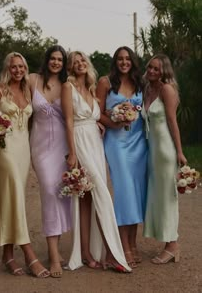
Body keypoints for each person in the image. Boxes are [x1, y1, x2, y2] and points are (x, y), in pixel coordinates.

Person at [61, 51, 131, 273]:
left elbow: (99, 117)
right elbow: (69, 122)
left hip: (95, 145)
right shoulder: (67, 88)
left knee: (87, 200)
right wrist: (72, 154)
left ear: (87, 64)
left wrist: (121, 120)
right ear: (70, 67)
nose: (80, 64)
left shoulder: (91, 90)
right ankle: (112, 254)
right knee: (102, 195)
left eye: (82, 60)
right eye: (75, 62)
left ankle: (86, 253)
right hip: (80, 143)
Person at [0, 52, 49, 278]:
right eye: (14, 66)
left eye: (22, 66)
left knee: (14, 197)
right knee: (15, 198)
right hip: (4, 148)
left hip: (23, 149)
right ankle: (29, 254)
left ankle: (7, 255)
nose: (18, 70)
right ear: (7, 68)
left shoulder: (28, 91)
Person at [96, 46, 148, 268]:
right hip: (117, 143)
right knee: (124, 191)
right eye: (120, 59)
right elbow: (97, 112)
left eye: (127, 59)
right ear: (115, 61)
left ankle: (133, 244)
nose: (124, 62)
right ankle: (123, 245)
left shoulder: (140, 83)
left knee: (136, 193)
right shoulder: (105, 82)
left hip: (138, 144)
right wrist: (115, 122)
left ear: (132, 61)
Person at [29, 45, 72, 278]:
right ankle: (54, 257)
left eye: (60, 59)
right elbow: (13, 98)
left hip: (62, 148)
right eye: (52, 58)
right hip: (40, 148)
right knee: (48, 191)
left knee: (60, 194)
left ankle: (54, 249)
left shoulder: (67, 84)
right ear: (46, 60)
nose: (56, 62)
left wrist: (97, 122)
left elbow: (76, 113)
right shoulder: (32, 80)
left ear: (64, 63)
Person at [142, 53, 187, 264]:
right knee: (158, 197)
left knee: (168, 197)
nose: (151, 71)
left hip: (166, 151)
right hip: (152, 152)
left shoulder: (167, 90)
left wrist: (179, 151)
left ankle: (172, 246)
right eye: (150, 67)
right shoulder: (147, 89)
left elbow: (172, 121)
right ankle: (168, 243)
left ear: (164, 71)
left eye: (156, 69)